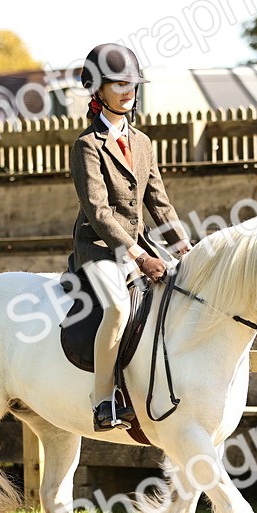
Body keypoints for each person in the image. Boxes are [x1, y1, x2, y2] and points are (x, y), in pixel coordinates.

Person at [70, 43, 190, 432]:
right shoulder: (87, 146)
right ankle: (103, 400)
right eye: (118, 83)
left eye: (132, 84)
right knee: (118, 309)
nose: (127, 91)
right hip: (101, 249)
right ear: (97, 89)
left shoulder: (143, 142)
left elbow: (160, 202)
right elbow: (99, 212)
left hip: (143, 247)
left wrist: (184, 247)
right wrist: (139, 256)